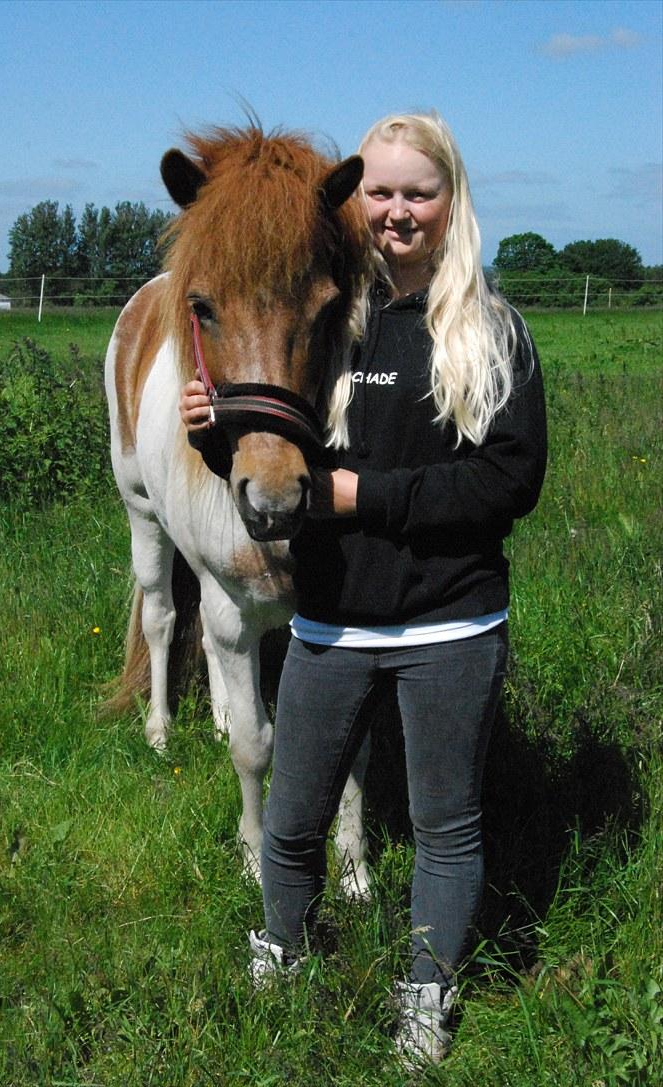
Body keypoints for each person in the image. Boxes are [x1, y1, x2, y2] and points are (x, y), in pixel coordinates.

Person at [180, 111, 547, 1069]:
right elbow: (286, 459)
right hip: (331, 620)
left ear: (448, 201)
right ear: (354, 202)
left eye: (416, 193)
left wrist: (362, 496)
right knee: (294, 817)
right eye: (377, 192)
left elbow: (508, 482)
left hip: (452, 621)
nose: (395, 211)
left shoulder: (490, 329)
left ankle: (426, 991)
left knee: (442, 824)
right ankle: (285, 954)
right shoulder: (334, 316)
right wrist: (217, 428)